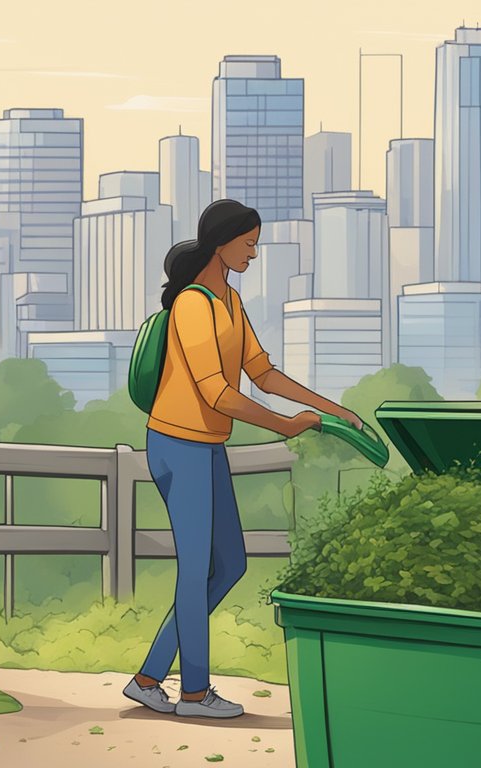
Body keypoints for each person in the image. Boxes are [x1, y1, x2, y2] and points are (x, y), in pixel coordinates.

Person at [122, 199, 362, 719]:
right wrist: (286, 426)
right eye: (249, 243)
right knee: (195, 570)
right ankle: (193, 694)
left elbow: (263, 374)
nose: (254, 253)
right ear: (221, 243)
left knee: (229, 563)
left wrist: (329, 407)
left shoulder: (229, 300)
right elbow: (216, 392)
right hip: (177, 444)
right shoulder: (191, 305)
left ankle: (147, 678)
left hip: (207, 446)